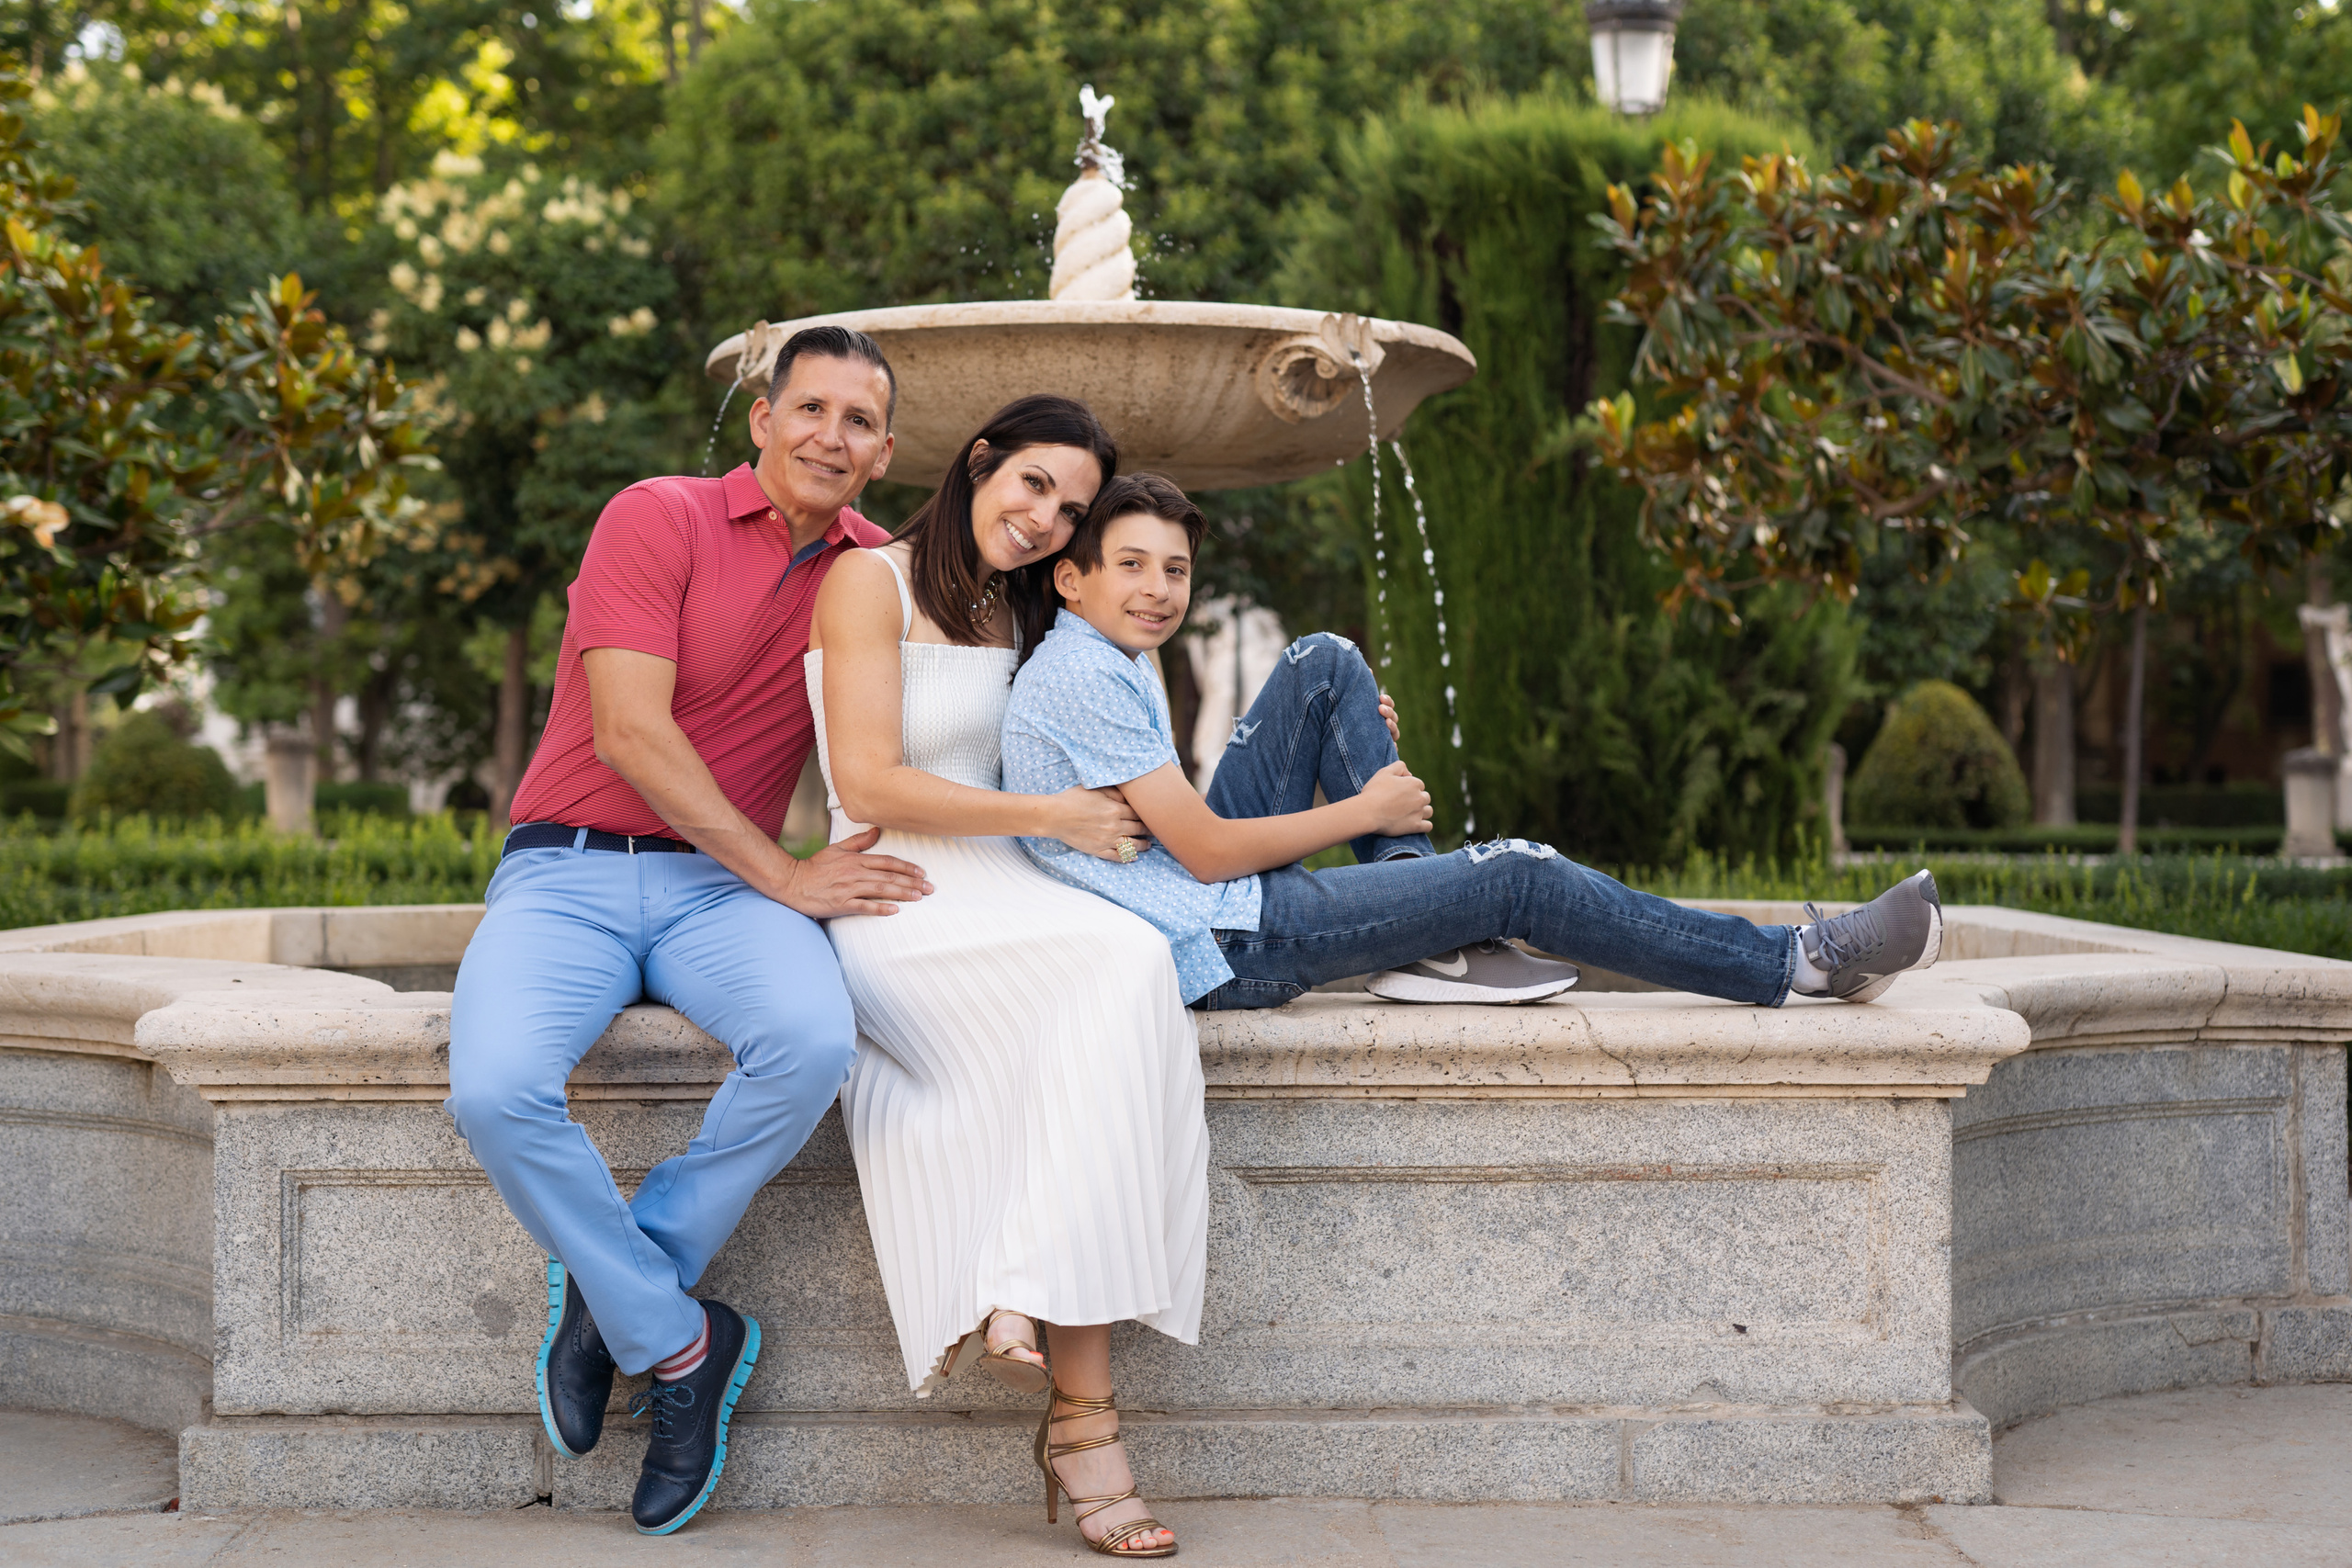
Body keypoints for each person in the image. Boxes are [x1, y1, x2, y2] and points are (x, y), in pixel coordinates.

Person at [443, 327, 933, 1538]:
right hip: (568, 870)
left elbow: (964, 708)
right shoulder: (657, 515)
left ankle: (613, 1293)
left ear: (884, 452)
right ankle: (680, 1339)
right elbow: (629, 731)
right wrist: (787, 874)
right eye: (809, 408)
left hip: (720, 894)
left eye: (858, 421)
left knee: (812, 1043)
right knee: (496, 1090)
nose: (830, 435)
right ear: (763, 419)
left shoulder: (879, 575)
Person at [1001, 472, 1943, 1016]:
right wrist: (1363, 808)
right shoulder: (1085, 673)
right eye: (1132, 565)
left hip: (1197, 901)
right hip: (1224, 943)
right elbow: (1207, 853)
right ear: (1071, 580)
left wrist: (1355, 763)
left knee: (1325, 664)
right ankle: (1801, 961)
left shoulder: (1104, 653)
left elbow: (1185, 840)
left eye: (1175, 569)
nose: (1159, 588)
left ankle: (1428, 936)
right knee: (1520, 872)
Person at [807, 394, 1201, 1560]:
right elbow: (868, 781)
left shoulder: (1024, 606)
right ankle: (1082, 1425)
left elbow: (1128, 720)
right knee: (1105, 979)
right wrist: (1050, 816)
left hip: (1015, 886)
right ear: (980, 462)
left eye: (1070, 510)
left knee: (1129, 963)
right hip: (900, 892)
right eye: (1033, 484)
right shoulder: (867, 583)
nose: (1044, 520)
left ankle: (1042, 1329)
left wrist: (1325, 719)